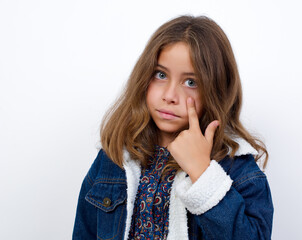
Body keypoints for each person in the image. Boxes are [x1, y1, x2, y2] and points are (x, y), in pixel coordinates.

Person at [73, 15, 273, 240]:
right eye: (160, 75)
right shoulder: (115, 159)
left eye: (191, 82)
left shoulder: (239, 172)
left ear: (216, 91)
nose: (169, 96)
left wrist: (203, 174)